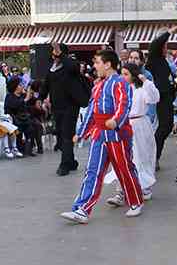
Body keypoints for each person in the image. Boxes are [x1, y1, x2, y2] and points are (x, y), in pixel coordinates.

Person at [60, 50, 144, 224]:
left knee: (124, 168)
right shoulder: (97, 85)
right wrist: (82, 133)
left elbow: (124, 104)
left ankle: (136, 201)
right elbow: (92, 110)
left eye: (98, 62)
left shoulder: (120, 83)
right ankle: (82, 209)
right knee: (93, 171)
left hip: (117, 134)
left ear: (107, 64)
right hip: (99, 134)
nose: (95, 66)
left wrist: (116, 120)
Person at [104, 63, 160, 204]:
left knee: (142, 157)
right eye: (121, 74)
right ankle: (120, 191)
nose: (123, 77)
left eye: (126, 74)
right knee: (122, 157)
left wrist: (146, 81)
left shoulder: (141, 90)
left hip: (140, 125)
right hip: (123, 125)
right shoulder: (119, 90)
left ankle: (144, 187)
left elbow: (154, 98)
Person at [40, 42, 87, 176]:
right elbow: (46, 84)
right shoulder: (52, 68)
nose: (54, 56)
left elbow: (73, 68)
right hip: (57, 106)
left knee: (67, 134)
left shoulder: (71, 65)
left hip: (71, 106)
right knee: (62, 134)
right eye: (53, 54)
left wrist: (60, 54)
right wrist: (41, 98)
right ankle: (71, 161)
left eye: (57, 54)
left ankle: (64, 165)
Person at [147, 32, 175, 169]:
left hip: (168, 95)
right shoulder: (154, 58)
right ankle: (153, 156)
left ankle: (155, 155)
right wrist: (170, 32)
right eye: (164, 47)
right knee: (163, 127)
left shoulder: (164, 60)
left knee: (168, 126)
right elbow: (154, 45)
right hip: (162, 96)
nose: (166, 49)